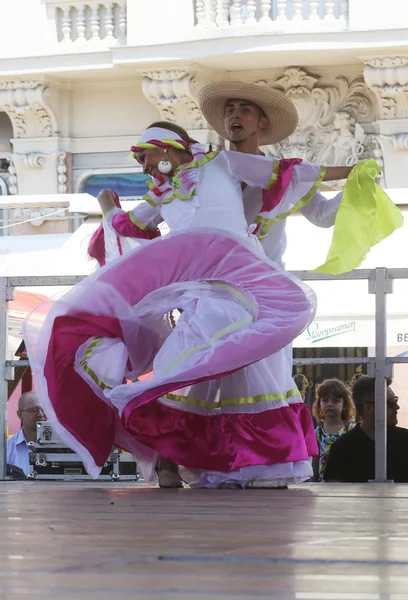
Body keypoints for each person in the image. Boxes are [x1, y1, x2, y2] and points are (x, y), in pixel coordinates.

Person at [24, 122, 397, 490]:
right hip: (198, 284)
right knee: (208, 365)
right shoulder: (160, 196)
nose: (145, 168)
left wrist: (350, 171)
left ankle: (223, 457)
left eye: (146, 156)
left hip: (241, 274)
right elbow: (128, 224)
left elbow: (287, 171)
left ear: (167, 146)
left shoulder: (221, 163)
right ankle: (198, 462)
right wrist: (106, 204)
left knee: (219, 360)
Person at [324, 376, 408, 482]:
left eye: (396, 400)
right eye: (391, 402)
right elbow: (333, 494)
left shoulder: (405, 441)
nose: (397, 407)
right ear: (370, 408)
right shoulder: (342, 449)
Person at [311, 379, 355, 481]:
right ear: (319, 404)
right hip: (324, 487)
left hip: (347, 485)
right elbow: (315, 464)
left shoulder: (351, 430)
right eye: (325, 400)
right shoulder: (317, 434)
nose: (330, 404)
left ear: (344, 405)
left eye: (335, 401)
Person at [7, 391, 46, 476]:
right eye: (34, 410)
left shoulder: (65, 446)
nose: (40, 414)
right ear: (20, 414)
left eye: (45, 409)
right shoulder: (6, 449)